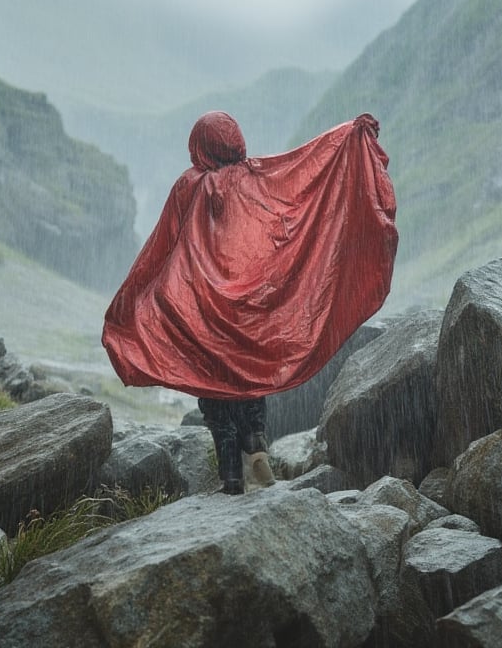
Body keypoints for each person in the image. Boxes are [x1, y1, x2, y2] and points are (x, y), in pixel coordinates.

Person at [102, 110, 397, 494]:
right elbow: (305, 169)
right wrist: (349, 135)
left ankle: (231, 477)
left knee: (214, 393)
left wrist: (136, 300)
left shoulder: (188, 186)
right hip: (248, 306)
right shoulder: (255, 177)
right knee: (249, 377)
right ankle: (256, 439)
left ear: (200, 146)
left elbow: (162, 247)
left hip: (204, 311)